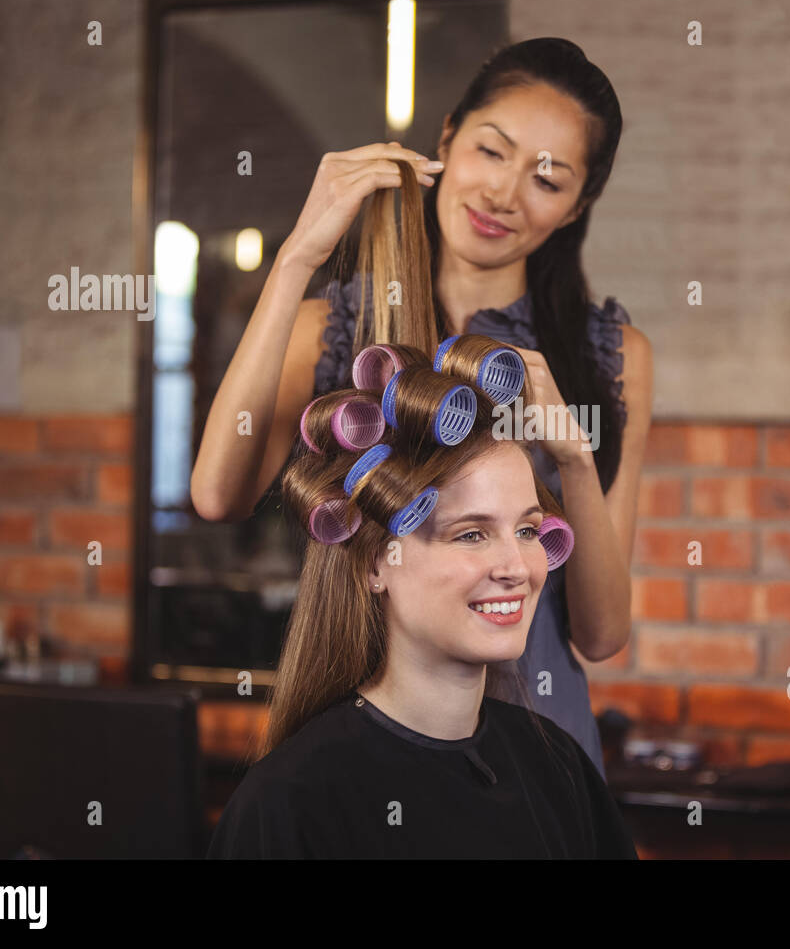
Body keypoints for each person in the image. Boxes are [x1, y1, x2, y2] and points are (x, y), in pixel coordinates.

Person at [192, 38, 653, 778]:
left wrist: (570, 453)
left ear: (578, 207)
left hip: (537, 742)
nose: (505, 193)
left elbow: (600, 633)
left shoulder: (609, 352)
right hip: (360, 727)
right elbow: (218, 494)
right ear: (447, 139)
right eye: (492, 151)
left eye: (549, 178)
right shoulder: (334, 329)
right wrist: (297, 260)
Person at [206, 350, 638, 859]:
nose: (517, 568)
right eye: (471, 534)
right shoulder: (292, 801)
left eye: (526, 530)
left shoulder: (558, 767)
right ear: (374, 565)